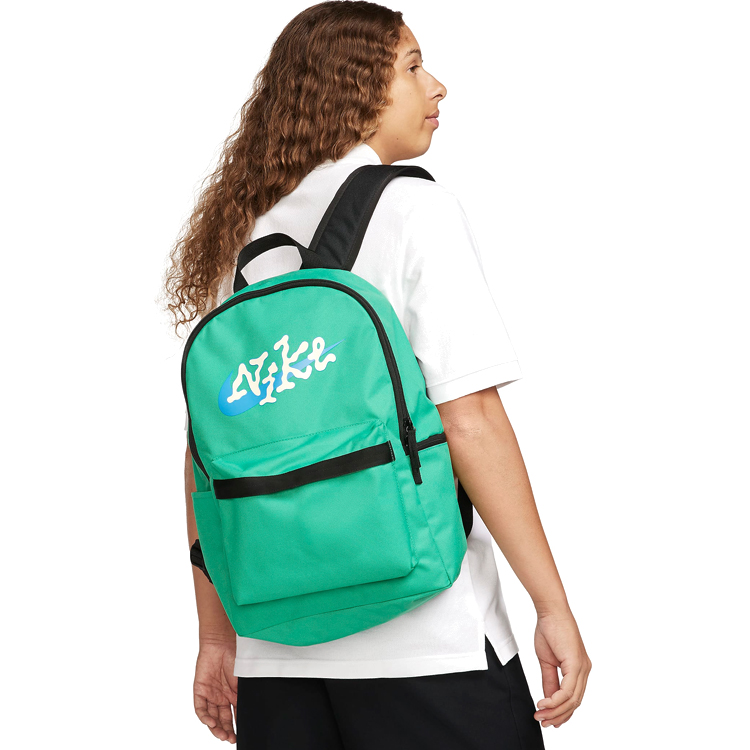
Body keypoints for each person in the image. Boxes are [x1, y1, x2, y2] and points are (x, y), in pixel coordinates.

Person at [162, 2, 591, 747]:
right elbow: (470, 421)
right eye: (413, 66)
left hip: (276, 653)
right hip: (431, 643)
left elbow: (207, 460)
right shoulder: (415, 209)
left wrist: (216, 637)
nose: (438, 86)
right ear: (354, 89)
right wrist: (551, 604)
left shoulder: (244, 238)